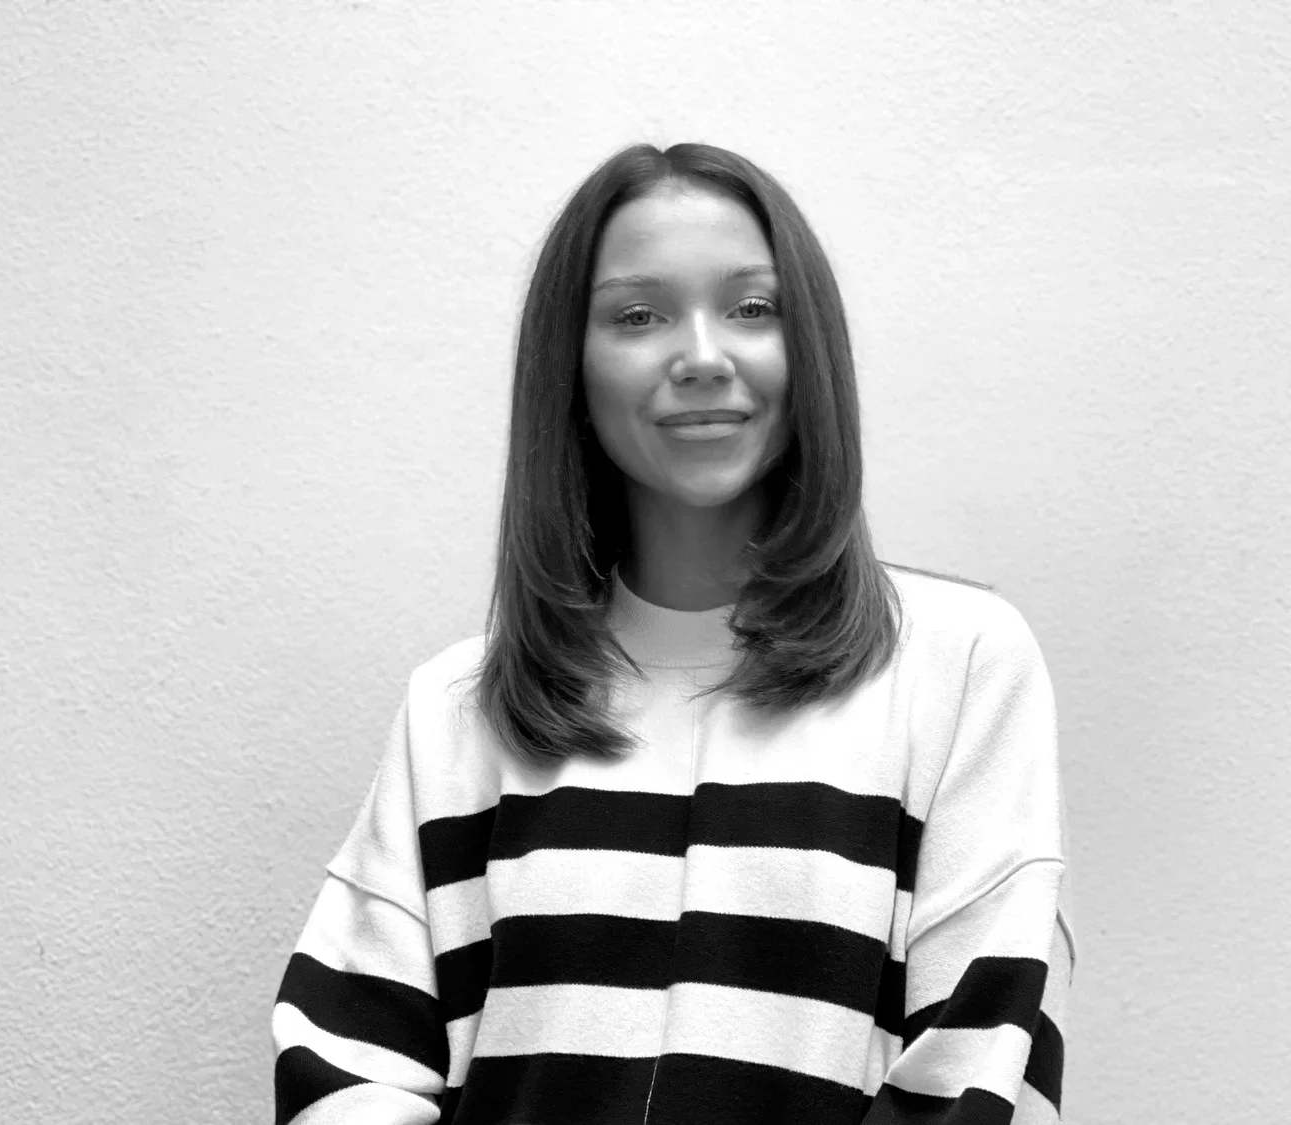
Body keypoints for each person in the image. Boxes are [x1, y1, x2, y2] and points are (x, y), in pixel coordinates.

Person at [270, 142, 1075, 1125]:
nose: (702, 355)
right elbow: (347, 1068)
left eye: (751, 307)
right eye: (638, 315)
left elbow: (980, 1068)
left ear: (808, 343)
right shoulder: (459, 713)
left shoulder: (960, 670)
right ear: (572, 363)